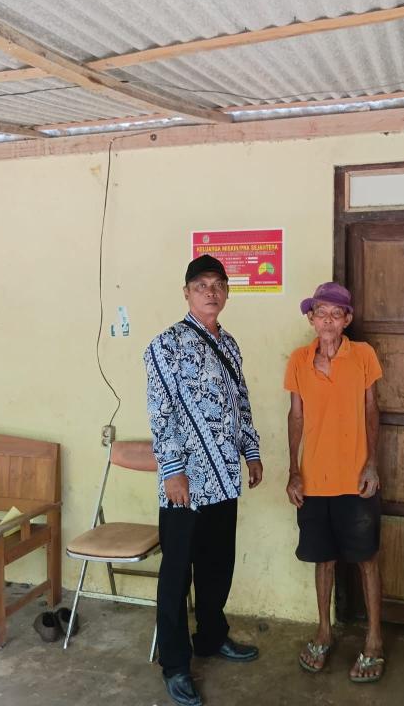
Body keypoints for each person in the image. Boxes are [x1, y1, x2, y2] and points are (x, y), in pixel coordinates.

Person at [145, 254, 263, 706]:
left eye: (217, 285)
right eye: (201, 285)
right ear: (187, 293)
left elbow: (242, 404)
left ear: (227, 292)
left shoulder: (229, 344)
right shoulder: (166, 345)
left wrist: (251, 453)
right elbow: (161, 413)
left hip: (224, 479)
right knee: (177, 574)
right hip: (186, 484)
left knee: (216, 566)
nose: (210, 292)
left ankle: (212, 637)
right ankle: (176, 665)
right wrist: (172, 470)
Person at [284, 282, 384, 683]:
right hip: (314, 479)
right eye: (321, 313)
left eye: (335, 314)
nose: (327, 321)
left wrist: (371, 464)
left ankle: (374, 639)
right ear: (311, 318)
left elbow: (372, 409)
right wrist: (293, 471)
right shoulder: (298, 360)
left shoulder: (363, 355)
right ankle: (324, 631)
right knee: (322, 558)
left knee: (366, 559)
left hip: (356, 478)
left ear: (347, 320)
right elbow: (295, 416)